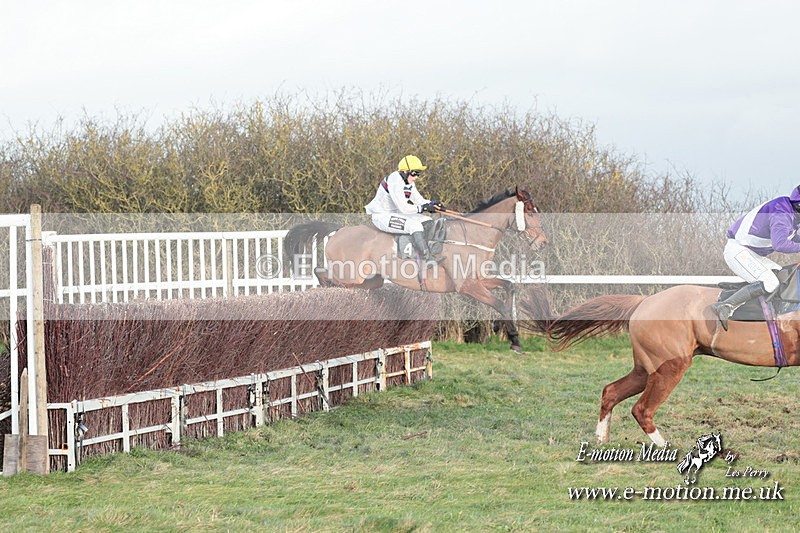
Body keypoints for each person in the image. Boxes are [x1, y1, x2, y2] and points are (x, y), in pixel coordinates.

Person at [711, 185, 800, 330]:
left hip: (751, 253)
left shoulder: (791, 211)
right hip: (738, 251)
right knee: (770, 282)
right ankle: (727, 305)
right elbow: (780, 244)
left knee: (783, 276)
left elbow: (790, 236)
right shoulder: (782, 214)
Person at [365, 155, 444, 263]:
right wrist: (423, 208)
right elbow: (404, 208)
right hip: (382, 216)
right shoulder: (395, 181)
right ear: (405, 171)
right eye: (414, 173)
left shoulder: (408, 181)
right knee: (415, 226)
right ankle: (426, 259)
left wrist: (433, 204)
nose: (416, 177)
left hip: (396, 213)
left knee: (428, 221)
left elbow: (418, 200)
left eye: (418, 173)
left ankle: (423, 247)